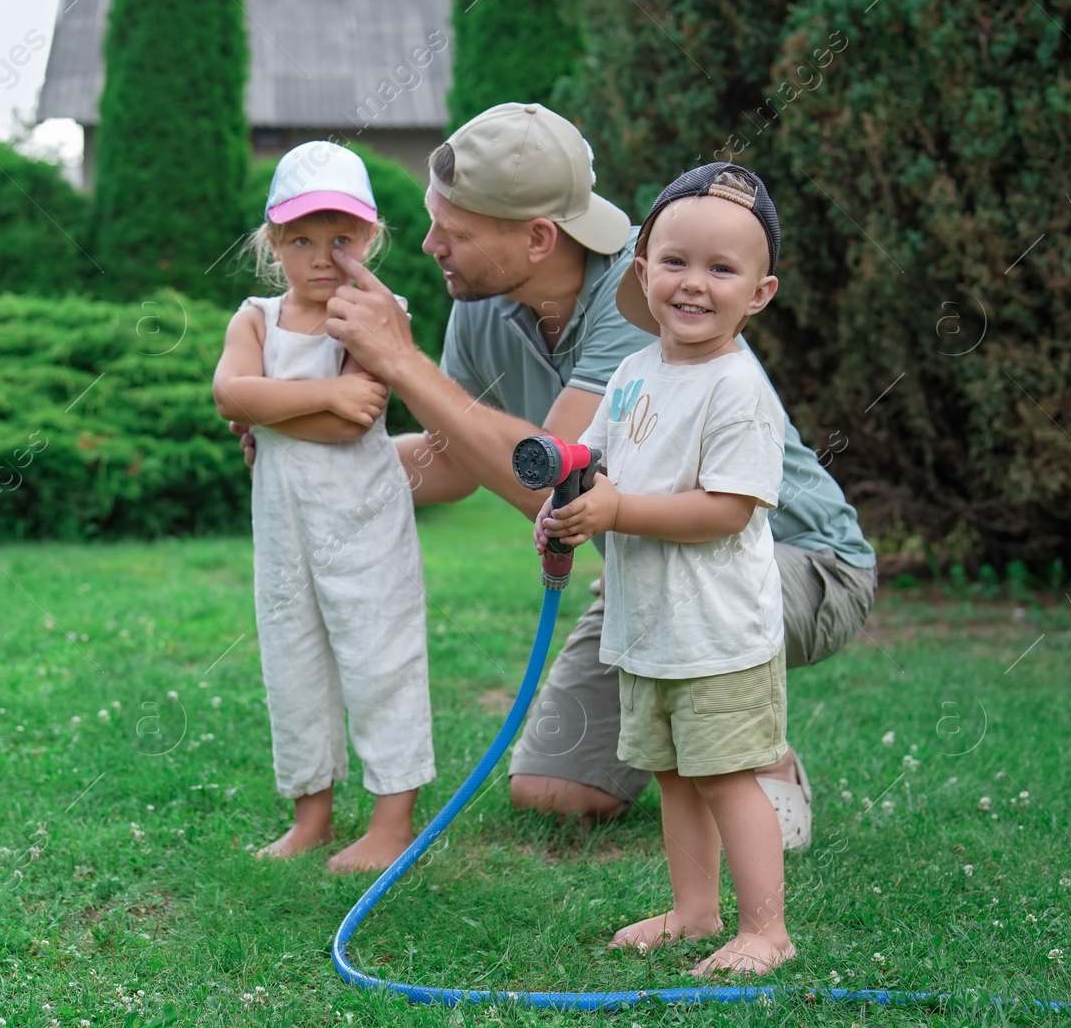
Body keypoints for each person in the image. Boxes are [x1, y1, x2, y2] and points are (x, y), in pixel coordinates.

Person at [313, 102, 877, 849]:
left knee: (711, 716)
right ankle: (702, 741)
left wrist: (400, 362)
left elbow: (554, 480)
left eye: (456, 230)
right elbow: (452, 461)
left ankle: (754, 751)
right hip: (652, 573)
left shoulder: (646, 301)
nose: (430, 244)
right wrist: (316, 459)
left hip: (793, 564)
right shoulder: (482, 308)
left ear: (540, 237)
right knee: (553, 791)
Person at [537, 162, 793, 976]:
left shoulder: (738, 388)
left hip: (718, 632)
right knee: (675, 774)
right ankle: (694, 910)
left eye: (722, 270)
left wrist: (618, 512)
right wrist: (570, 505)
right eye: (676, 262)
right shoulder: (635, 371)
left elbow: (727, 507)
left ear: (759, 292)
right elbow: (606, 465)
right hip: (650, 627)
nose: (694, 284)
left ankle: (766, 930)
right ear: (643, 273)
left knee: (726, 778)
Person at [212, 141, 435, 873]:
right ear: (274, 241)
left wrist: (278, 408)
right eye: (301, 239)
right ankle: (311, 813)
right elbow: (230, 394)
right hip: (284, 529)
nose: (321, 256)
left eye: (340, 239)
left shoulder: (375, 316)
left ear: (369, 238)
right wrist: (321, 392)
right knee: (293, 656)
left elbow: (355, 419)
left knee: (379, 656)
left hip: (363, 525)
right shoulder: (255, 319)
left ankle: (391, 821)